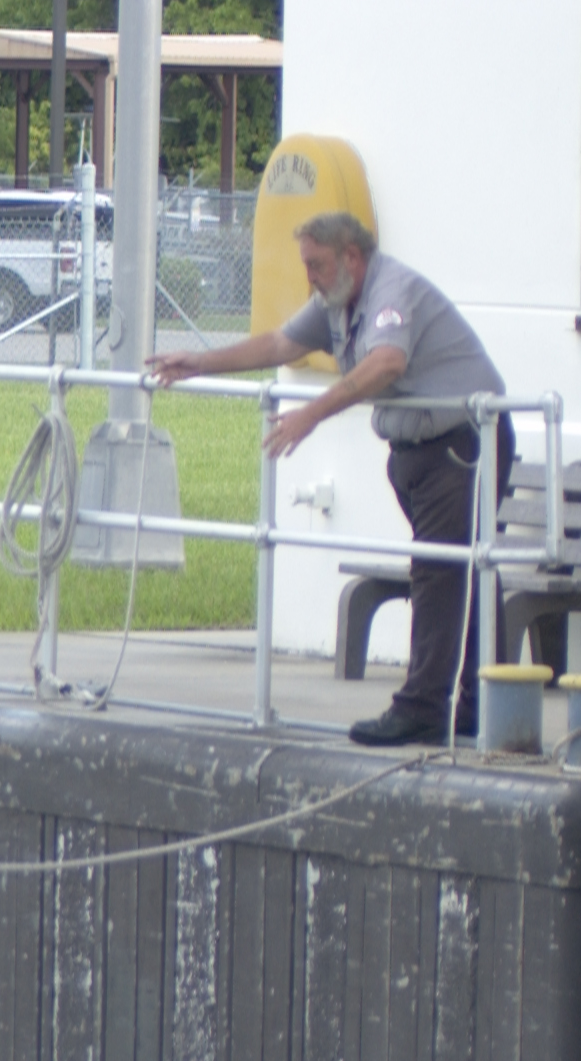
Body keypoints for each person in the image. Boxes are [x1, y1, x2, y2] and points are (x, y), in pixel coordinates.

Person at [150, 211, 510, 749]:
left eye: (317, 265)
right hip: (420, 450)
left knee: (443, 569)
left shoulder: (391, 290)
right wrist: (197, 362)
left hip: (463, 441)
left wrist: (311, 414)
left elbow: (387, 361)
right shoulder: (336, 302)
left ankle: (427, 708)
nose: (310, 277)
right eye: (306, 266)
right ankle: (483, 706)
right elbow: (279, 344)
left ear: (351, 257)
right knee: (458, 568)